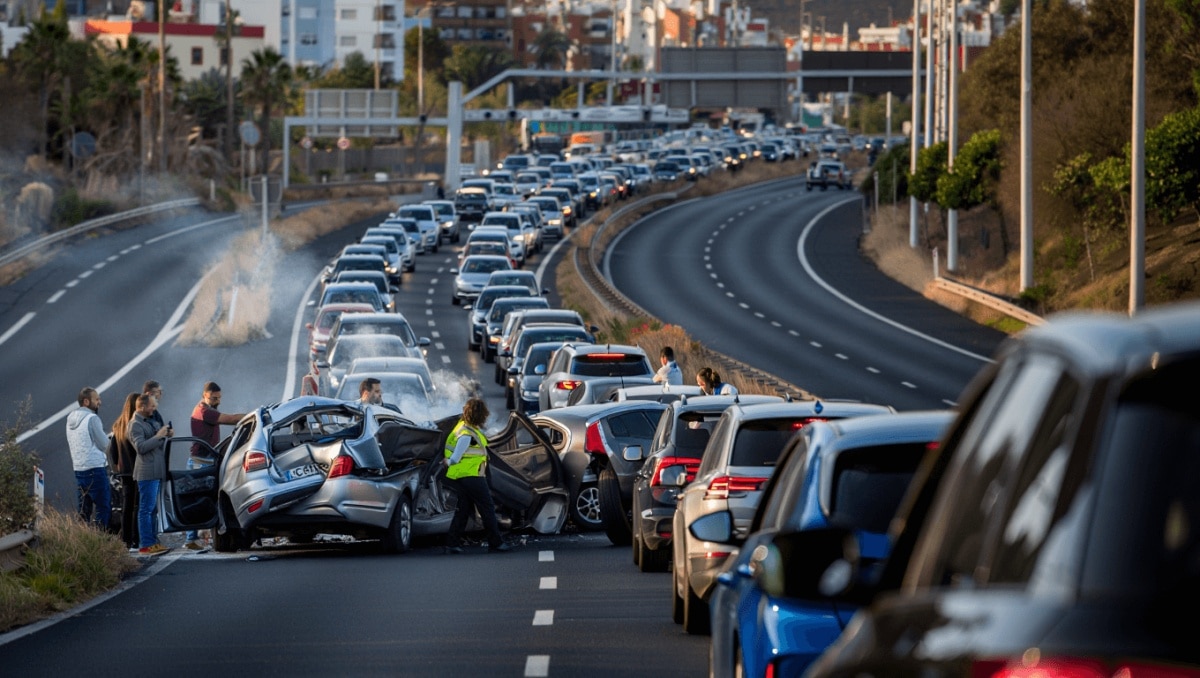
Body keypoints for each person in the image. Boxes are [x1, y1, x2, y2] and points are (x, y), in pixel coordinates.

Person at [442, 398, 511, 554]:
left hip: (464, 476)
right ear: (480, 415)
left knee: (463, 509)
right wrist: (448, 461)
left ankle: (452, 543)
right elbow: (456, 457)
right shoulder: (467, 434)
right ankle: (496, 543)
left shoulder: (464, 428)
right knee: (487, 508)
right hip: (471, 476)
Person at [185, 382, 246, 550]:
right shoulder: (205, 411)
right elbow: (231, 419)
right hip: (200, 461)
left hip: (203, 460)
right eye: (214, 398)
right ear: (205, 395)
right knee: (199, 499)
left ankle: (194, 536)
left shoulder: (205, 409)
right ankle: (191, 538)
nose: (217, 401)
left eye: (219, 398)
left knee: (203, 498)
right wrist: (252, 416)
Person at [131, 393, 172, 556]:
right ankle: (146, 544)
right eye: (152, 406)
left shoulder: (148, 421)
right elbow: (140, 447)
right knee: (146, 509)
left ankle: (153, 542)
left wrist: (166, 434)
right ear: (142, 407)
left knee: (153, 509)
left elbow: (155, 441)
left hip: (155, 470)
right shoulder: (135, 424)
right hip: (147, 472)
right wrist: (159, 435)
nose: (154, 409)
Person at [66, 387, 112, 530]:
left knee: (83, 511)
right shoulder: (92, 419)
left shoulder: (70, 419)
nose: (100, 402)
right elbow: (104, 445)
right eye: (96, 399)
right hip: (95, 469)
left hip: (79, 469)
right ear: (86, 401)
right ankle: (101, 537)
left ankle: (83, 537)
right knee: (103, 507)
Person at [110, 392, 141, 549]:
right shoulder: (135, 425)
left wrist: (117, 465)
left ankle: (126, 540)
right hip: (138, 469)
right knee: (138, 505)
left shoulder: (119, 426)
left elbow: (113, 452)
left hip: (124, 471)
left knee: (127, 506)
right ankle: (137, 538)